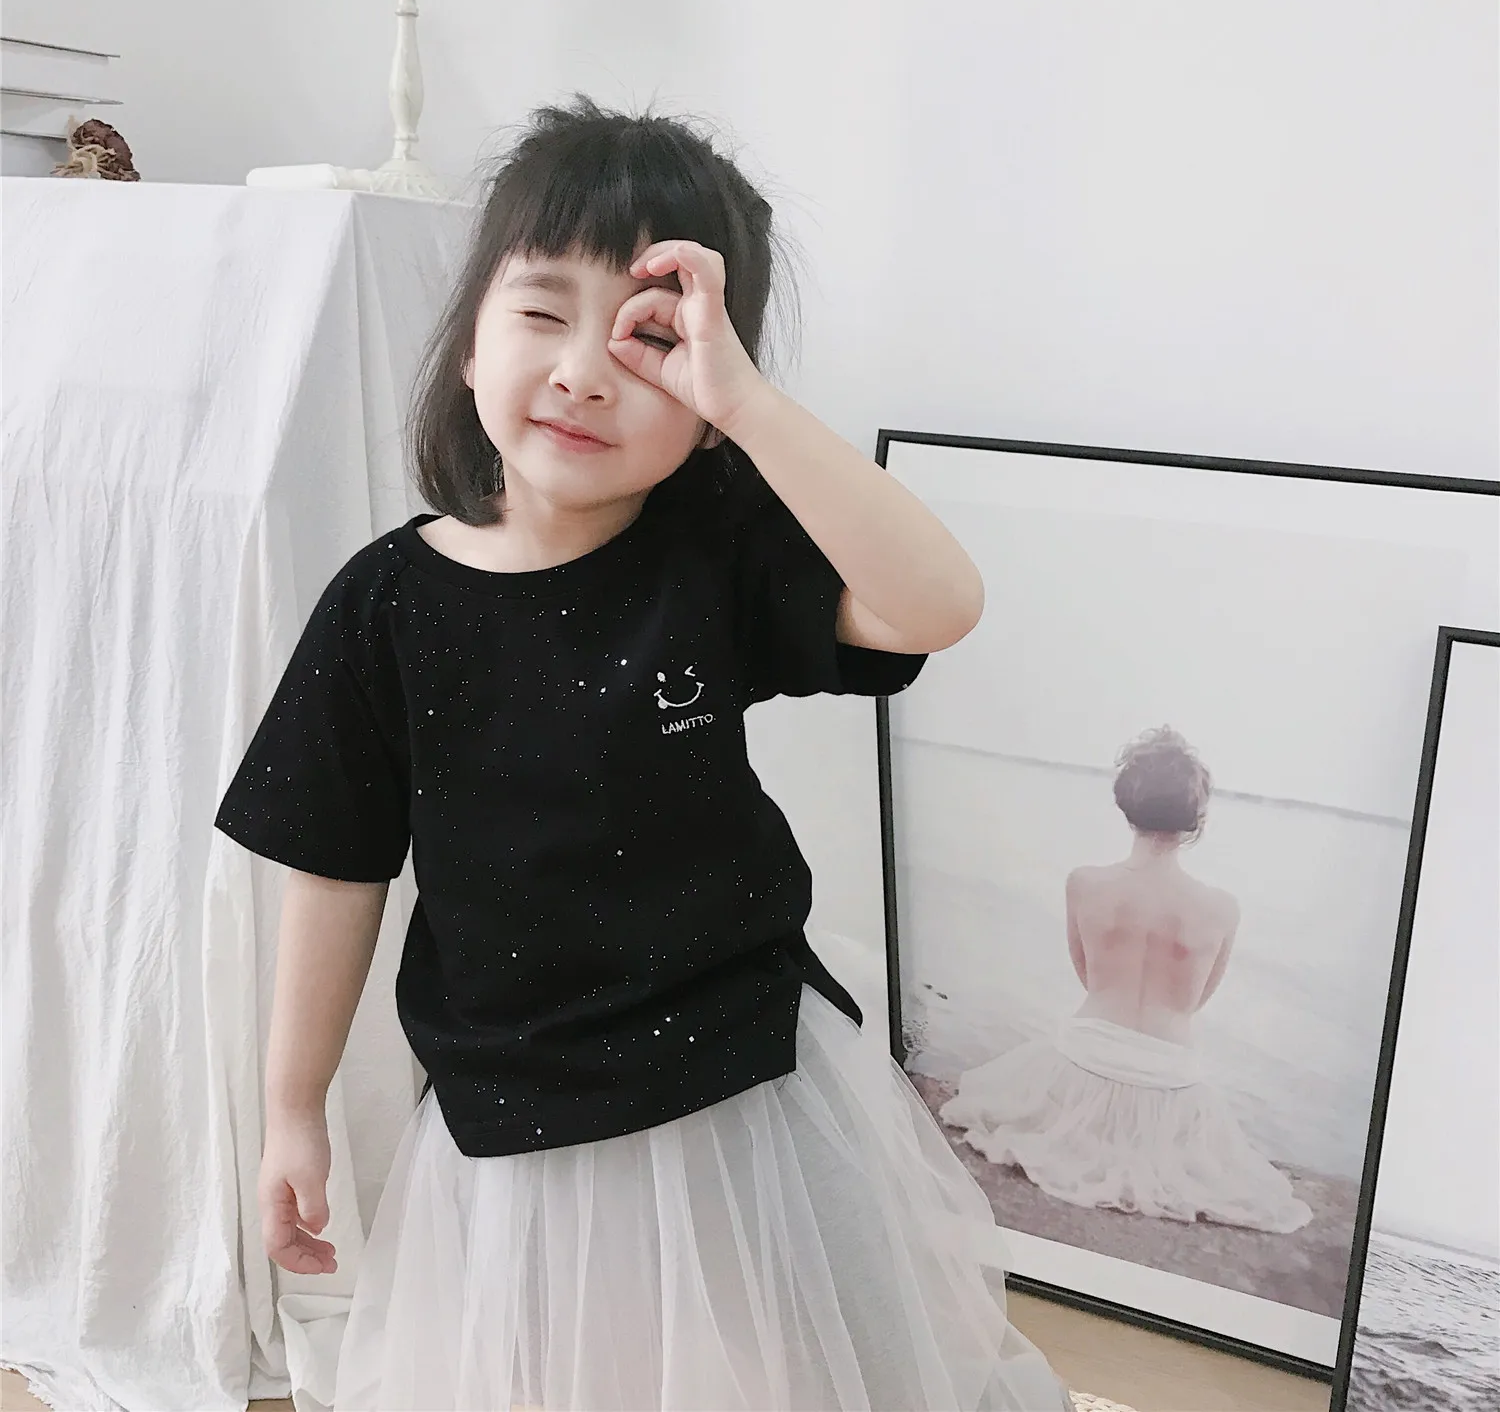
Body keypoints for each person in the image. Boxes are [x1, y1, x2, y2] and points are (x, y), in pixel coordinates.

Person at [214, 94, 1072, 1412]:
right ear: (469, 343)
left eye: (651, 340)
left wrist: (748, 404)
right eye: (543, 313)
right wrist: (293, 1108)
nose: (583, 371)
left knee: (787, 1375)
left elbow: (934, 604)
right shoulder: (385, 606)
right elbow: (333, 868)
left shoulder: (711, 544)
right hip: (515, 1113)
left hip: (743, 1080)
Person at [940, 726, 1313, 1235]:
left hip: (1083, 1059)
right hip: (1169, 1080)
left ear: (1126, 804)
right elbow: (1195, 1002)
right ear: (1195, 817)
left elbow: (1087, 976)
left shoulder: (1084, 883)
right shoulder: (1222, 909)